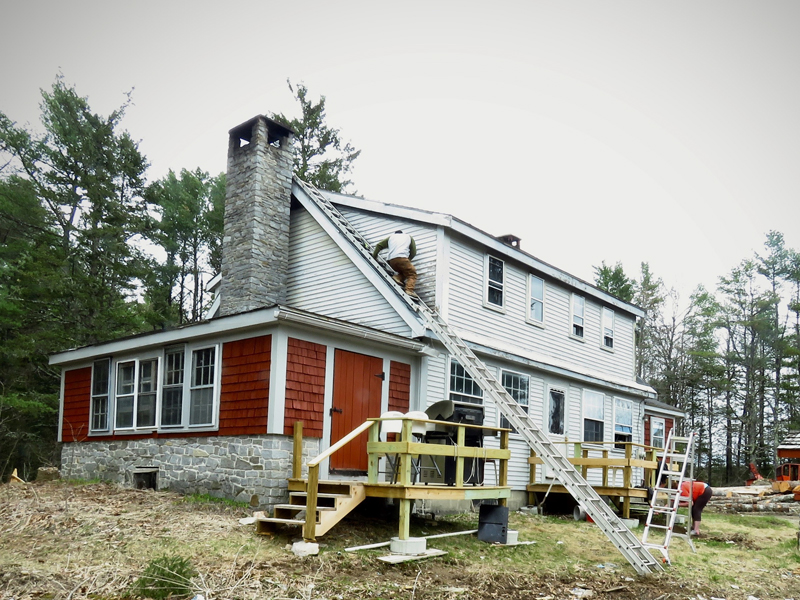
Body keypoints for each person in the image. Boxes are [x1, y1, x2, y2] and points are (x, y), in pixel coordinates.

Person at [372, 230, 418, 297]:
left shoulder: (391, 238)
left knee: (405, 271)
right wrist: (408, 260)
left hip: (391, 261)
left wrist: (374, 257)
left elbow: (379, 245)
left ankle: (397, 277)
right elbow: (413, 252)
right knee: (412, 274)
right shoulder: (408, 237)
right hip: (402, 259)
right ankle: (409, 290)